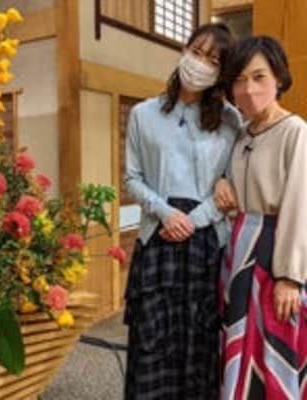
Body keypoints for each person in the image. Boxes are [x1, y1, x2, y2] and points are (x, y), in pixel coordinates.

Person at [123, 23, 240, 400]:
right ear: (184, 50)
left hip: (205, 245)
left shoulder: (231, 122)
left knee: (199, 345)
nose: (201, 63)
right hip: (157, 239)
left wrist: (194, 219)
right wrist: (165, 212)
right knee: (151, 343)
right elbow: (132, 178)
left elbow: (231, 186)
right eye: (197, 52)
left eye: (213, 60)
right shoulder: (143, 114)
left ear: (221, 73)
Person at [216, 36, 307, 399]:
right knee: (241, 345)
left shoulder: (295, 131)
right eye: (239, 80)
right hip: (239, 250)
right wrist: (221, 182)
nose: (249, 89)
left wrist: (289, 276)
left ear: (278, 79)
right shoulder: (240, 135)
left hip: (275, 250)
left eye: (259, 77)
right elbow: (229, 183)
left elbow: (300, 205)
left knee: (275, 345)